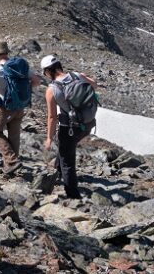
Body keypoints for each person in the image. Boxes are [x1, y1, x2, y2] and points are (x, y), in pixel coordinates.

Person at [42, 55, 98, 199]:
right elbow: (94, 85)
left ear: (48, 71)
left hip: (70, 127)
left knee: (68, 161)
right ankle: (58, 172)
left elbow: (52, 117)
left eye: (45, 72)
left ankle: (73, 195)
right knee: (64, 148)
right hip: (88, 122)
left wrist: (49, 138)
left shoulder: (52, 89)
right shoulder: (77, 75)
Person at [0, 40, 42, 175]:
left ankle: (12, 161)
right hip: (19, 107)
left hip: (3, 107)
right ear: (6, 52)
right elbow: (36, 81)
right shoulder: (21, 67)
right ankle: (10, 167)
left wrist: (0, 92)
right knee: (14, 136)